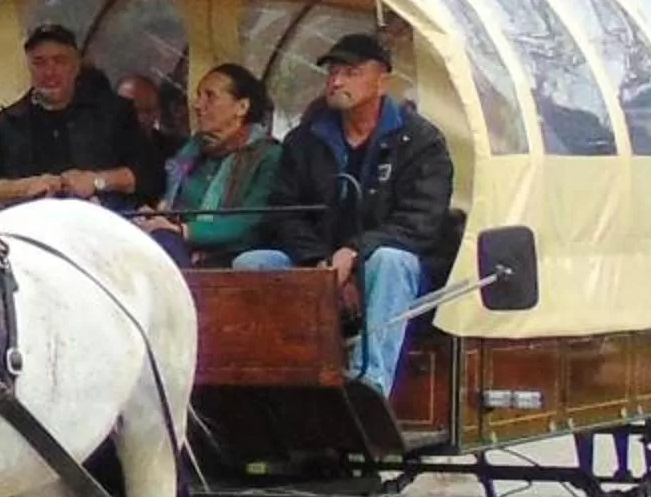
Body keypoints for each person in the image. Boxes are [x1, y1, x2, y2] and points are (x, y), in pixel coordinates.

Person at [232, 31, 455, 391]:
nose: (336, 81)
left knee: (389, 260)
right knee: (252, 263)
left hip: (392, 273)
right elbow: (285, 212)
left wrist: (354, 254)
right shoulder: (305, 140)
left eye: (350, 72)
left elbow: (421, 222)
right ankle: (269, 381)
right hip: (321, 264)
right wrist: (319, 263)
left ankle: (371, 385)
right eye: (332, 71)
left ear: (382, 78)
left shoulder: (421, 142)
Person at [0, 23, 149, 208]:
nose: (49, 72)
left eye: (59, 61)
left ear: (76, 66)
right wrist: (26, 187)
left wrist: (96, 181)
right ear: (29, 67)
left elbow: (146, 176)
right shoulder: (7, 124)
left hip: (102, 223)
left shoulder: (113, 114)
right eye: (39, 63)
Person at [136, 62, 281, 268]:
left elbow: (252, 222)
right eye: (199, 95)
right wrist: (155, 216)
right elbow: (168, 199)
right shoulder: (192, 150)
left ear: (241, 107)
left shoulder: (267, 156)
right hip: (174, 241)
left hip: (229, 255)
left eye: (210, 96)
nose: (197, 105)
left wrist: (184, 231)